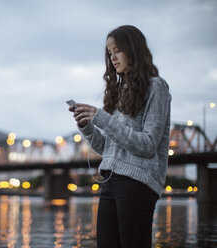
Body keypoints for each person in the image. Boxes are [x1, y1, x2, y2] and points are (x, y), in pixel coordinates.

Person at [69, 25, 171, 248]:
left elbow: (148, 145)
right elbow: (108, 148)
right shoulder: (120, 91)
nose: (112, 57)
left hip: (138, 183)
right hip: (111, 181)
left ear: (133, 50)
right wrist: (87, 126)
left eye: (117, 50)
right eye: (109, 52)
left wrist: (102, 117)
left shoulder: (157, 87)